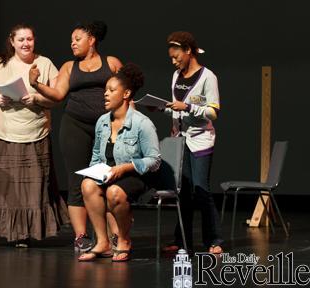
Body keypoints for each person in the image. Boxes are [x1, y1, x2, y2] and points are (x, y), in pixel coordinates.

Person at [0, 23, 69, 249]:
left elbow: (56, 98)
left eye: (30, 39)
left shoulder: (44, 64)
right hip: (4, 133)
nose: (26, 43)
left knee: (31, 189)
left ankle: (23, 233)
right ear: (12, 42)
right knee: (0, 186)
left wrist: (36, 99)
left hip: (35, 133)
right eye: (21, 39)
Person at [29, 21, 123, 252]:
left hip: (106, 128)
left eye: (77, 38)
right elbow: (58, 94)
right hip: (75, 126)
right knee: (77, 181)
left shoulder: (110, 62)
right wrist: (36, 84)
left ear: (91, 40)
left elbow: (125, 91)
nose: (72, 43)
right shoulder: (70, 67)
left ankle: (114, 236)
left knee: (108, 179)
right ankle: (81, 238)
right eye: (71, 39)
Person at [78, 63, 161, 262]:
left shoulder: (142, 123)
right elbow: (97, 155)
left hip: (136, 176)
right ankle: (102, 242)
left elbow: (154, 160)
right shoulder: (102, 122)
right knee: (87, 184)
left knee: (114, 192)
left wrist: (124, 167)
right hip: (110, 173)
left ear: (126, 94)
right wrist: (94, 171)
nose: (105, 94)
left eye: (111, 90)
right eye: (105, 90)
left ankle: (123, 240)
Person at [160, 31, 223, 254]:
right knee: (183, 191)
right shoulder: (176, 76)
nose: (174, 61)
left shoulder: (208, 77)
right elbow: (177, 111)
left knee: (201, 189)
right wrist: (163, 108)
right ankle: (182, 240)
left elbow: (213, 112)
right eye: (171, 58)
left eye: (176, 56)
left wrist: (188, 107)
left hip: (201, 140)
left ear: (188, 51)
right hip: (180, 141)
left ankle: (213, 240)